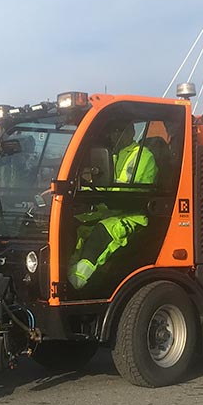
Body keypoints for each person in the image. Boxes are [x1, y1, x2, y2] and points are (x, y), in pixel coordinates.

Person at [67, 122, 159, 290]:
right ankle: (66, 273)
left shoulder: (142, 156)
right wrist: (78, 191)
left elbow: (127, 191)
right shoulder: (114, 155)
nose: (114, 135)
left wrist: (97, 195)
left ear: (131, 132)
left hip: (134, 214)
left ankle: (77, 283)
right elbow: (104, 186)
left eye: (118, 130)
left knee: (102, 232)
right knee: (76, 225)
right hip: (112, 211)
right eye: (113, 131)